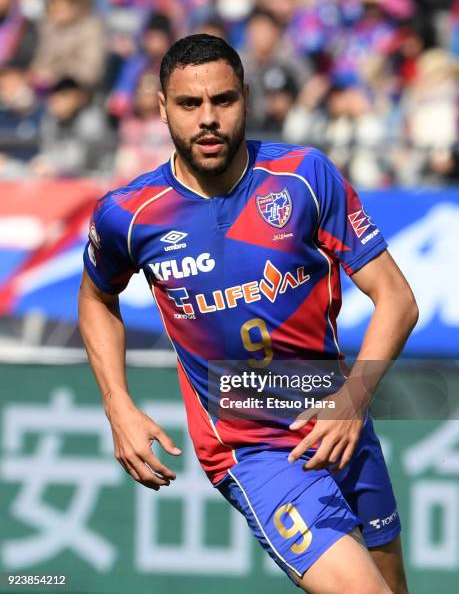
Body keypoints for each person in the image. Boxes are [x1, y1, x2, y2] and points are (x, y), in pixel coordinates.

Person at [78, 34, 418, 593]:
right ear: (162, 108)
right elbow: (95, 298)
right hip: (250, 446)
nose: (207, 119)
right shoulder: (128, 216)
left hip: (337, 419)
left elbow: (397, 299)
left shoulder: (304, 177)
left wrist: (353, 398)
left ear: (247, 99)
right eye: (189, 105)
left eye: (223, 100)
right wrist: (118, 406)